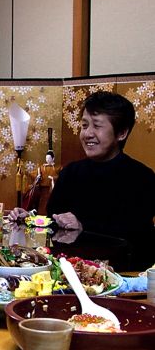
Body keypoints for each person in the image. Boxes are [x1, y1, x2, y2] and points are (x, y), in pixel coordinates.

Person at [9, 91, 155, 268]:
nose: (87, 134)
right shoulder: (70, 173)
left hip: (125, 272)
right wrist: (30, 220)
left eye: (97, 126)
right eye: (84, 125)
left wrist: (82, 225)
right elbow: (55, 221)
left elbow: (135, 231)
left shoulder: (142, 177)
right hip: (70, 269)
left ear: (121, 133)